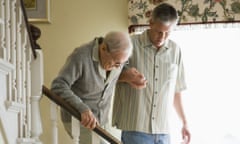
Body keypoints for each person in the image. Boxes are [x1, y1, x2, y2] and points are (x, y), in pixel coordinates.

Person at [112, 3, 191, 144]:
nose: (162, 37)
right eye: (159, 31)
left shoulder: (175, 50)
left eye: (167, 33)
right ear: (151, 23)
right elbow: (106, 74)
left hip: (164, 132)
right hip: (135, 131)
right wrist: (125, 76)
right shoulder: (129, 44)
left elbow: (176, 90)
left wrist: (184, 122)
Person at [51, 31, 133, 144]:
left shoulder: (117, 59)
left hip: (102, 121)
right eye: (116, 63)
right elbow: (58, 85)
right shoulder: (81, 56)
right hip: (79, 119)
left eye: (121, 64)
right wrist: (82, 108)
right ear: (103, 48)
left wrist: (131, 75)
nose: (117, 67)